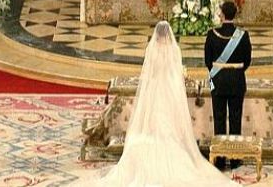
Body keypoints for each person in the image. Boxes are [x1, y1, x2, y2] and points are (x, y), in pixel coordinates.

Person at [83, 21, 238, 186]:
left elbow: (150, 72)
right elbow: (176, 71)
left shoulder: (152, 49)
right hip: (170, 88)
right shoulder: (174, 49)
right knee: (170, 118)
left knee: (153, 118)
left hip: (156, 88)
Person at [204, 2, 252, 170]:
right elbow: (247, 61)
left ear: (222, 15)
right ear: (235, 14)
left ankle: (219, 158)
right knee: (235, 118)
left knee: (218, 118)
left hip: (217, 82)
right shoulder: (243, 35)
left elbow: (207, 61)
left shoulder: (212, 34)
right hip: (237, 80)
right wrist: (235, 72)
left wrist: (219, 72)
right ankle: (235, 158)